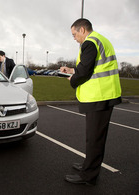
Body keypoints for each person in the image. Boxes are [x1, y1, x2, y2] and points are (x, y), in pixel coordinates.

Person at [60, 18, 122, 185]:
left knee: (94, 138)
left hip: (100, 96)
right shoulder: (100, 40)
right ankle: (89, 165)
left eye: (74, 35)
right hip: (103, 95)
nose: (74, 38)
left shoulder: (90, 43)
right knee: (94, 137)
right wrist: (72, 69)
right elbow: (91, 67)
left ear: (82, 30)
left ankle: (88, 176)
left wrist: (72, 78)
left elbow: (85, 71)